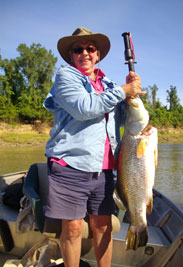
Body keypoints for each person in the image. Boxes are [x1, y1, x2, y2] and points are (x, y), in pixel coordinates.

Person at [43, 27, 146, 267]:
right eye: (78, 50)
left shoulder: (108, 84)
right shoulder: (65, 77)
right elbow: (84, 108)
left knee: (103, 225)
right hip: (70, 165)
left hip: (105, 168)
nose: (85, 53)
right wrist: (122, 91)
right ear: (71, 56)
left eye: (90, 48)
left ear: (97, 54)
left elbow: (124, 117)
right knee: (73, 228)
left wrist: (132, 95)